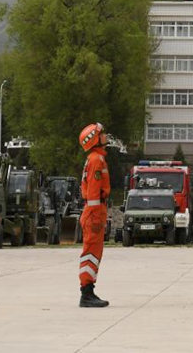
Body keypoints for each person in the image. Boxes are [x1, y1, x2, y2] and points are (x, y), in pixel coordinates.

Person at [78, 122, 111, 307]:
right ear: (95, 140)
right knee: (90, 252)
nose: (105, 136)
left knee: (94, 252)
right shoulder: (96, 160)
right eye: (102, 134)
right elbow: (93, 191)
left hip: (95, 211)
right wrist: (96, 215)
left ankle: (89, 290)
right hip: (94, 212)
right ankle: (86, 293)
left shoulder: (96, 158)